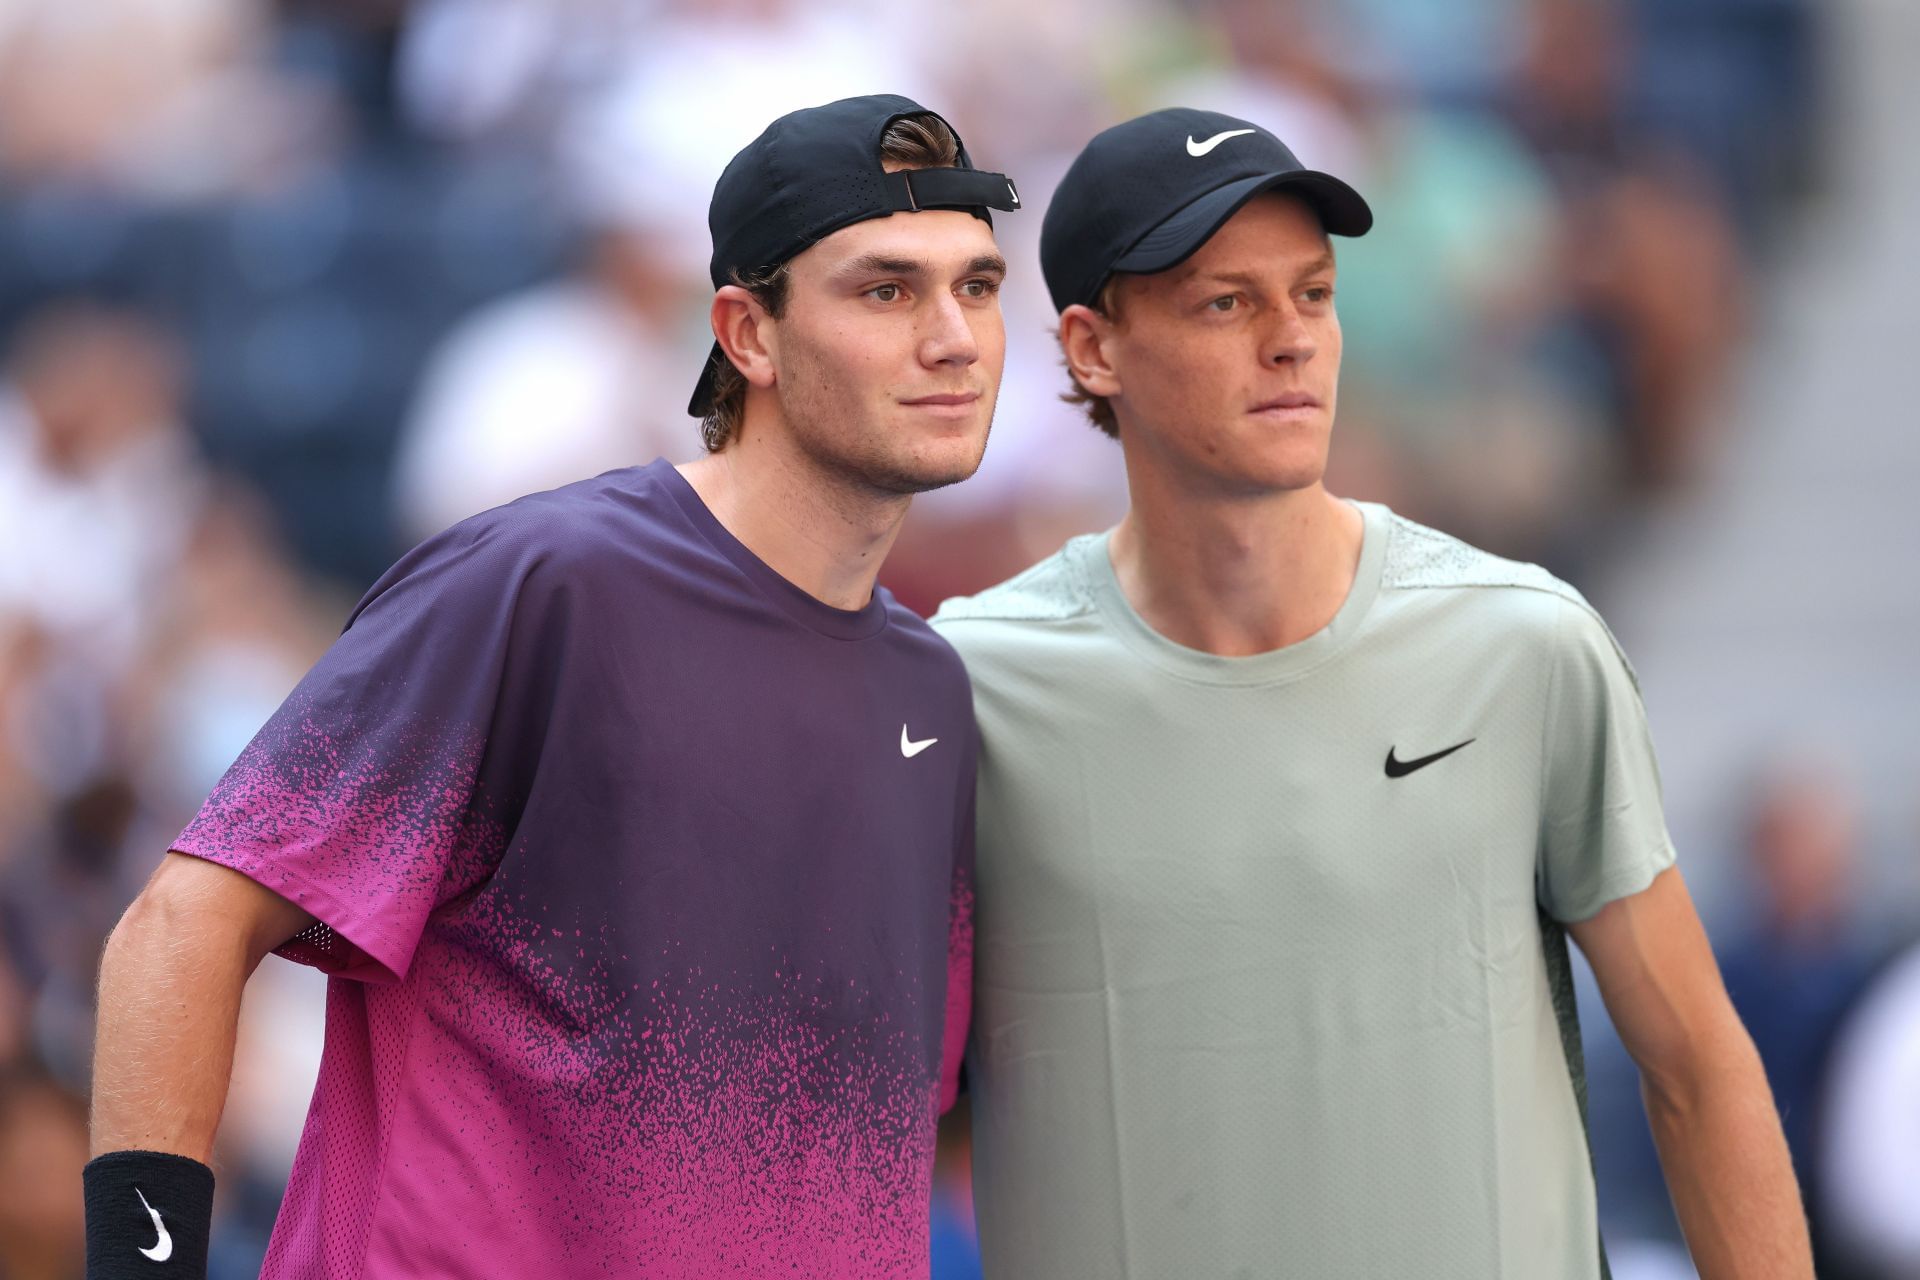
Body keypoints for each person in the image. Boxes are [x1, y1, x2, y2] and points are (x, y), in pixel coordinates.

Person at [86, 93, 1018, 1280]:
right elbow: (185, 925)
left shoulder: (932, 691)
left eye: (978, 286)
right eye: (887, 289)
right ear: (749, 334)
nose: (955, 336)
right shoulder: (545, 581)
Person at [931, 107, 1810, 1279]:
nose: (1292, 339)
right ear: (1093, 349)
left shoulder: (1528, 642)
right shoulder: (962, 685)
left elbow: (1699, 1068)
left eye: (1313, 293)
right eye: (1225, 302)